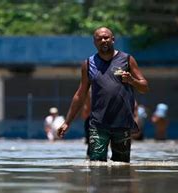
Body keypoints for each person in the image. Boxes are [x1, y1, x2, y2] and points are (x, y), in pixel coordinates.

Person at [57, 26, 149, 162]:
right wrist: (67, 122)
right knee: (96, 165)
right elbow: (80, 94)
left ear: (113, 39)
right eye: (99, 39)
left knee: (121, 166)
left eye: (106, 37)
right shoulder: (88, 64)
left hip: (122, 124)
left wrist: (131, 80)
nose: (103, 40)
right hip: (98, 124)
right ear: (95, 42)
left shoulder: (127, 59)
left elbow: (144, 87)